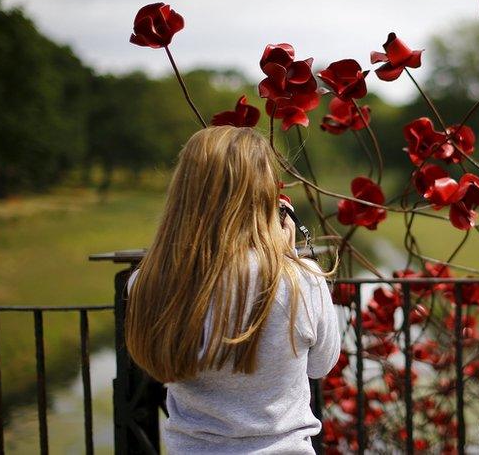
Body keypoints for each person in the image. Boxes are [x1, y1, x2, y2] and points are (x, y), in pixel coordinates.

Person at [124, 126, 340, 454]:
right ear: (266, 200)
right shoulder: (301, 282)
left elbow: (155, 362)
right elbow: (321, 365)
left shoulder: (148, 282)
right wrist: (287, 259)